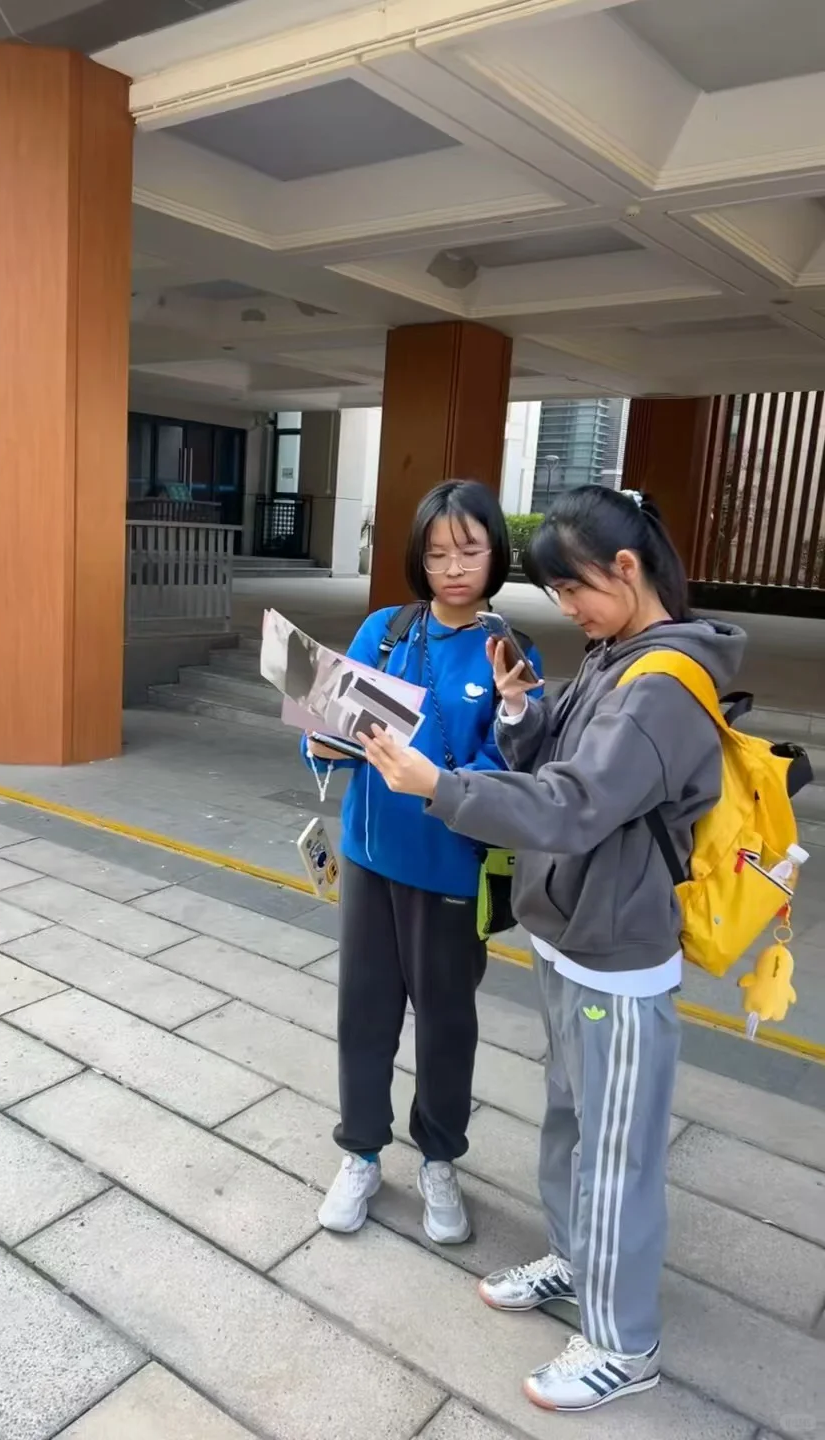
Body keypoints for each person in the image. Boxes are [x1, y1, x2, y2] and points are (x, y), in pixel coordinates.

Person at [359, 486, 745, 1413]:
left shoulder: (666, 684)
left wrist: (440, 787)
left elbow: (573, 806)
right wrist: (524, 708)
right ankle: (576, 1260)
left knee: (617, 1149)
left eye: (571, 591)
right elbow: (555, 756)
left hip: (620, 947)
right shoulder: (623, 654)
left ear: (624, 569)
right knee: (571, 1120)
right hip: (573, 935)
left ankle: (624, 1341)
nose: (565, 611)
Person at [305, 480, 542, 1245]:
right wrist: (317, 739)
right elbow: (335, 727)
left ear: (494, 553)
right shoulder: (384, 628)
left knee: (446, 1023)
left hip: (449, 870)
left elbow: (506, 772)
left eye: (469, 551)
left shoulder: (506, 648)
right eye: (437, 553)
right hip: (370, 857)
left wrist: (513, 712)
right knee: (363, 1014)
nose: (452, 568)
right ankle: (362, 1153)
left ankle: (439, 1158)